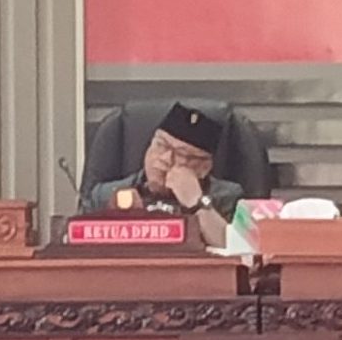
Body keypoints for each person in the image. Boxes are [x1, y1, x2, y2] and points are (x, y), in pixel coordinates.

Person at [81, 102, 241, 247]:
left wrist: (196, 202)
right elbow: (77, 248)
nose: (165, 158)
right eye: (161, 145)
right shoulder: (105, 196)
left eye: (180, 154)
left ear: (203, 168)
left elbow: (237, 252)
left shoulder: (227, 198)